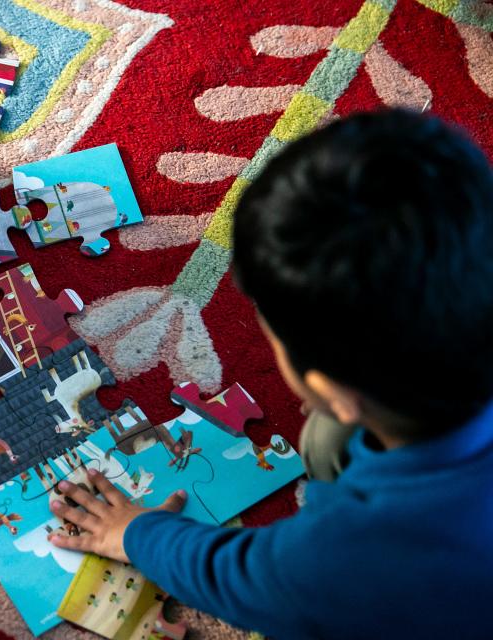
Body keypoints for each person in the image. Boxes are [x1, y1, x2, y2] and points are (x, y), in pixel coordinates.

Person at [48, 110, 493, 638]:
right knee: (328, 440)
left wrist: (137, 533)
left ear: (331, 387)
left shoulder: (338, 562)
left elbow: (236, 574)